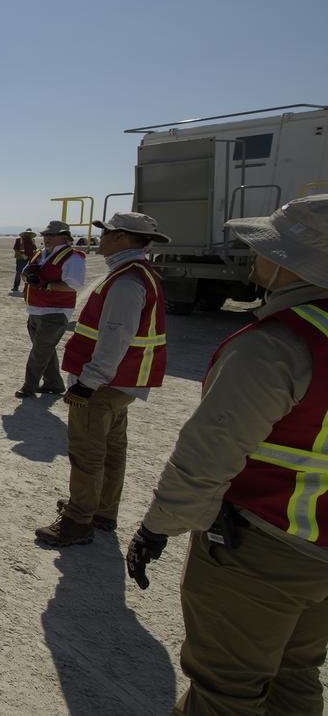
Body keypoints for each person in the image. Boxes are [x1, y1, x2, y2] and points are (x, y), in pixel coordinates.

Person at [126, 195, 328, 715]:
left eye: (267, 248)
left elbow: (209, 453)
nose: (255, 256)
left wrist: (158, 527)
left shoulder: (276, 346)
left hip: (265, 548)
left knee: (226, 693)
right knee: (295, 678)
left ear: (290, 262)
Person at [34, 212, 170, 547]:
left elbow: (115, 336)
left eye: (107, 233)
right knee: (111, 448)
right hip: (121, 382)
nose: (101, 238)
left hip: (104, 385)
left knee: (88, 451)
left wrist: (88, 382)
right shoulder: (134, 273)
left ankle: (78, 520)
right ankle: (102, 512)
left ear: (123, 237)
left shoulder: (126, 281)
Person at [17, 220, 85, 398]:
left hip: (56, 311)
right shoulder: (41, 254)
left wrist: (47, 285)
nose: (47, 238)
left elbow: (74, 285)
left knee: (39, 351)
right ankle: (54, 384)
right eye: (46, 234)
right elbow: (26, 273)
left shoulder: (73, 257)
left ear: (64, 237)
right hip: (36, 309)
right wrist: (28, 276)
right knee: (45, 349)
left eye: (51, 235)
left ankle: (29, 387)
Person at [11, 228, 37, 293]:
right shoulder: (19, 240)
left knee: (28, 274)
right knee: (19, 273)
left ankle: (26, 288)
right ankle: (15, 287)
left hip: (30, 259)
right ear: (25, 233)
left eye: (29, 233)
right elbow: (16, 249)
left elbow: (34, 249)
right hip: (21, 260)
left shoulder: (32, 240)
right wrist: (23, 256)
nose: (28, 234)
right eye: (27, 233)